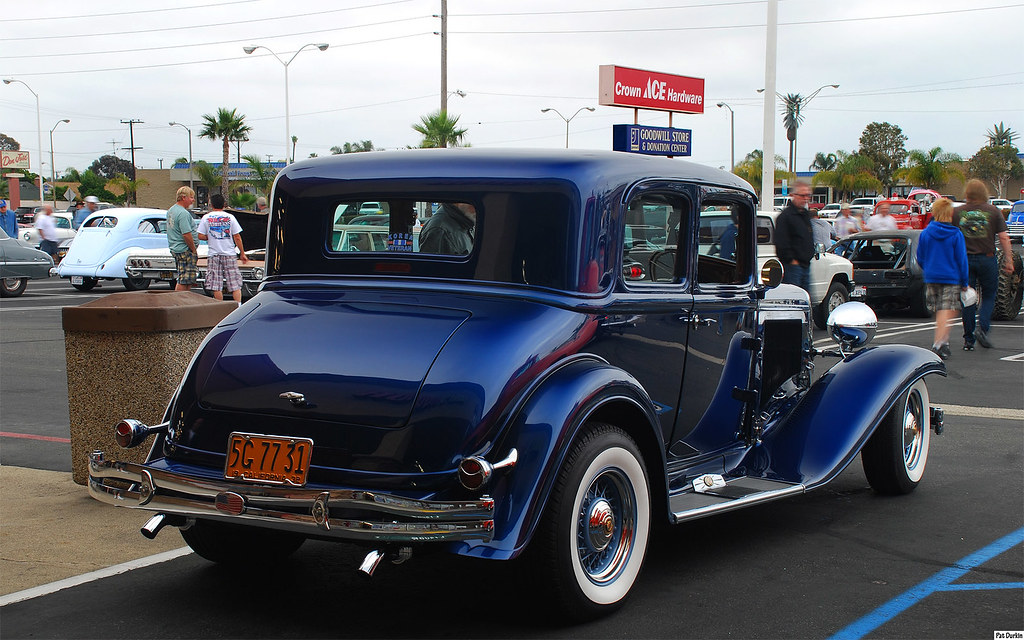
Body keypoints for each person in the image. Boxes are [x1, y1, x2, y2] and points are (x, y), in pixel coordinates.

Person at [954, 178, 1013, 350]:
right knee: (988, 296)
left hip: (964, 260)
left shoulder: (958, 212)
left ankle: (968, 339)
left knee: (968, 298)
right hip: (987, 258)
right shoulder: (993, 211)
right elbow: (1003, 237)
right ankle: (983, 328)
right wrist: (1008, 259)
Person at [915, 198, 968, 360]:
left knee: (940, 310)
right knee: (949, 309)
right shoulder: (956, 234)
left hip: (931, 276)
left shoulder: (926, 233)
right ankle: (939, 342)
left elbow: (920, 256)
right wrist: (965, 282)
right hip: (951, 277)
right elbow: (962, 259)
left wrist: (929, 269)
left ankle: (943, 342)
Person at [197, 193, 249, 303]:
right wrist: (242, 253)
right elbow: (237, 236)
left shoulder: (206, 217)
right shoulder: (230, 217)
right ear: (224, 205)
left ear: (211, 205)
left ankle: (220, 307)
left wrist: (210, 236)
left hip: (213, 254)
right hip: (229, 253)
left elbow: (200, 235)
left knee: (216, 284)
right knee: (234, 283)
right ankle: (238, 306)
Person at [773, 180, 814, 293]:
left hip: (806, 266)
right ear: (793, 195)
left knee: (807, 300)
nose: (805, 198)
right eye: (802, 195)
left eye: (808, 195)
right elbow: (781, 243)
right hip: (793, 268)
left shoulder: (805, 215)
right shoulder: (785, 217)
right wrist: (792, 260)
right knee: (794, 299)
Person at [166, 186, 199, 292]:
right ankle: (179, 302)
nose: (193, 200)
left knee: (186, 279)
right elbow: (186, 234)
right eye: (191, 197)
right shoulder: (183, 213)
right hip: (185, 250)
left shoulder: (171, 210)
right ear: (184, 197)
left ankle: (184, 302)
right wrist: (193, 249)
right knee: (184, 280)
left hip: (176, 248)